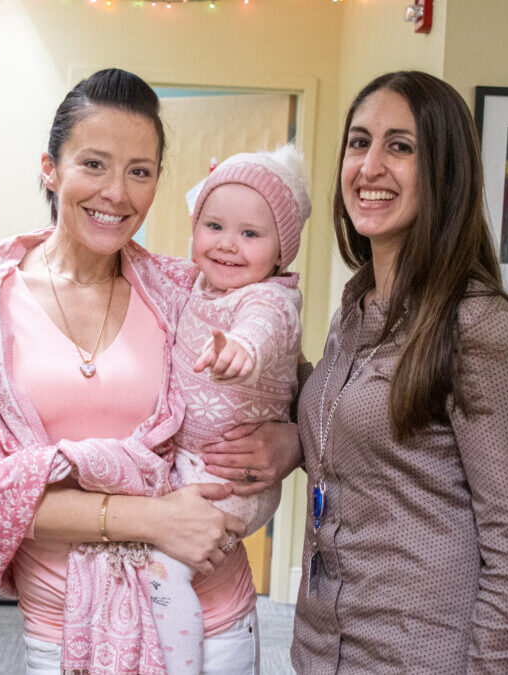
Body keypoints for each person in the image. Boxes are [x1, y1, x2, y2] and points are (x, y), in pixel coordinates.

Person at [0, 68, 270, 675]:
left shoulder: (182, 290)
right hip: (63, 624)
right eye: (94, 164)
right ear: (49, 168)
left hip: (210, 613)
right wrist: (155, 520)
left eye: (140, 171)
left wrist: (285, 440)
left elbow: (281, 377)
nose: (117, 193)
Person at [289, 70, 508, 672]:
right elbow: (343, 425)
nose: (369, 166)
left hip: (420, 655)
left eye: (400, 147)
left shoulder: (478, 326)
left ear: (444, 173)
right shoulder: (354, 308)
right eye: (359, 142)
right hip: (323, 647)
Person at [149, 146, 309, 675]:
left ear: (281, 252)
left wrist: (240, 350)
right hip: (194, 461)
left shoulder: (268, 299)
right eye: (214, 225)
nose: (227, 245)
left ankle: (180, 662)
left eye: (250, 234)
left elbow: (263, 329)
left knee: (160, 567)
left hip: (233, 480)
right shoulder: (195, 284)